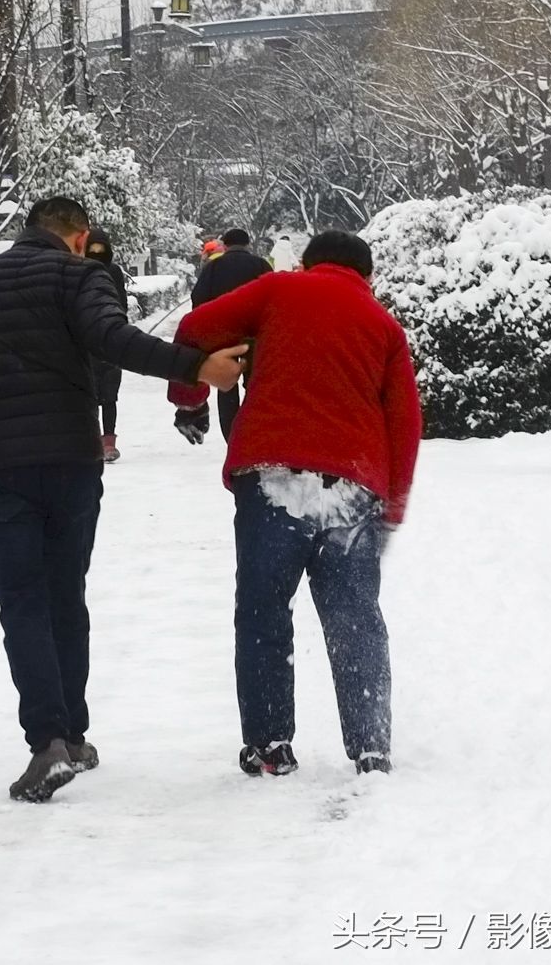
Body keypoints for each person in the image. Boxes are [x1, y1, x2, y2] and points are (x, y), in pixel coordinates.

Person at [0, 196, 247, 803]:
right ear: (78, 236)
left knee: (21, 598)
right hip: (69, 460)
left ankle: (50, 742)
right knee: (65, 592)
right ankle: (71, 735)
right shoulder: (81, 274)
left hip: (1, 466)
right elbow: (113, 339)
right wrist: (196, 368)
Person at [167, 230, 423, 778]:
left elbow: (192, 328)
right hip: (353, 488)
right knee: (355, 617)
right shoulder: (384, 326)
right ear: (367, 276)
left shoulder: (277, 290)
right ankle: (370, 747)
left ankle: (269, 746)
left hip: (272, 475)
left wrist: (189, 399)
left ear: (308, 264)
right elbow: (405, 423)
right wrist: (393, 506)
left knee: (262, 610)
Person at [181, 228, 273, 443]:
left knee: (227, 386)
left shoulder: (213, 267)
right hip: (255, 336)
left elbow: (198, 300)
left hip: (223, 338)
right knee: (255, 385)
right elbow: (274, 298)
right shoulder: (261, 265)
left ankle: (231, 436)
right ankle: (254, 432)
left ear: (226, 244)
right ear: (248, 243)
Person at [84, 228, 130, 463]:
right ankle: (92, 442)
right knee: (88, 394)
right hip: (86, 342)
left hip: (109, 341)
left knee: (109, 394)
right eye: (93, 247)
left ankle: (108, 443)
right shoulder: (76, 270)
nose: (96, 252)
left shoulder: (113, 272)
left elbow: (121, 302)